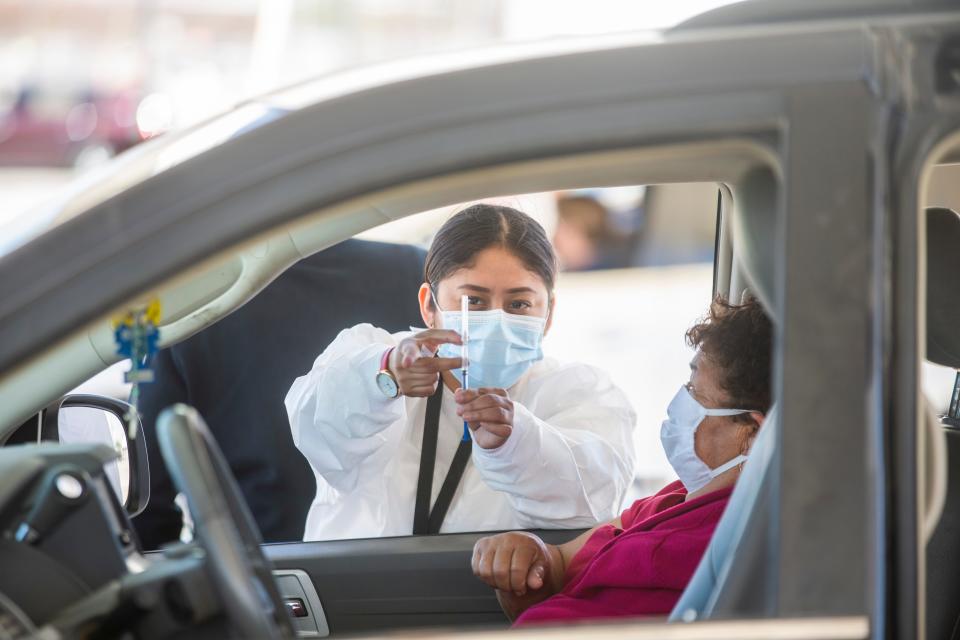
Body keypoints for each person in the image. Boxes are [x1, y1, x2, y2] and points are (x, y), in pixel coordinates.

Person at [286, 203, 637, 541]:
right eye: (473, 302)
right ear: (428, 305)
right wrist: (383, 378)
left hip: (500, 599)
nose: (497, 320)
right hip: (364, 593)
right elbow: (316, 427)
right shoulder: (370, 355)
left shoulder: (579, 394)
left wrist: (517, 442)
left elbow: (595, 500)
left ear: (550, 312)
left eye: (519, 304)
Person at [471, 296, 772, 626]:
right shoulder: (676, 499)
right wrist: (529, 555)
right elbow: (559, 564)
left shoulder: (722, 541)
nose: (679, 403)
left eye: (696, 392)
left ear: (753, 434)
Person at [134, 239, 426, 549]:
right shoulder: (415, 271)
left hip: (262, 574)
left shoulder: (188, 305)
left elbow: (145, 500)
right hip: (404, 561)